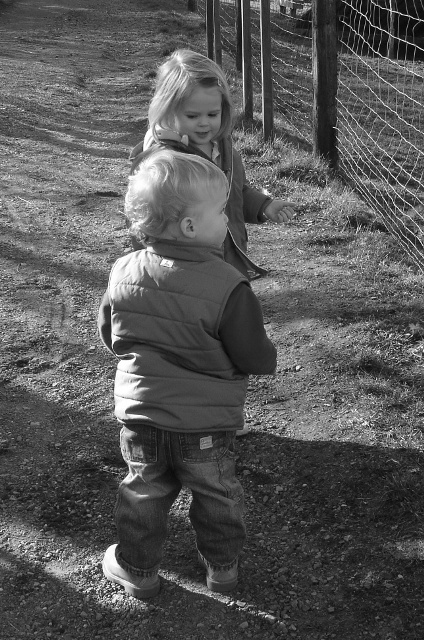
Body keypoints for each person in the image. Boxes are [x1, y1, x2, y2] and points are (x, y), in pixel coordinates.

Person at [98, 150, 277, 599]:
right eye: (221, 212)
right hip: (205, 425)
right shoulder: (229, 286)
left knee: (143, 492)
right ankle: (222, 568)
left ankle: (138, 569)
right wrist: (266, 358)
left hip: (142, 416)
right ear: (191, 227)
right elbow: (253, 356)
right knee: (216, 494)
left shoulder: (123, 270)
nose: (227, 219)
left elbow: (111, 334)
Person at [129, 48, 296, 281]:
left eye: (212, 114)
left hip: (228, 261)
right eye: (192, 116)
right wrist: (151, 268)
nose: (204, 123)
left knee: (231, 302)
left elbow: (234, 193)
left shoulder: (225, 151)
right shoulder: (166, 164)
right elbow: (145, 217)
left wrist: (264, 206)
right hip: (185, 270)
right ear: (168, 110)